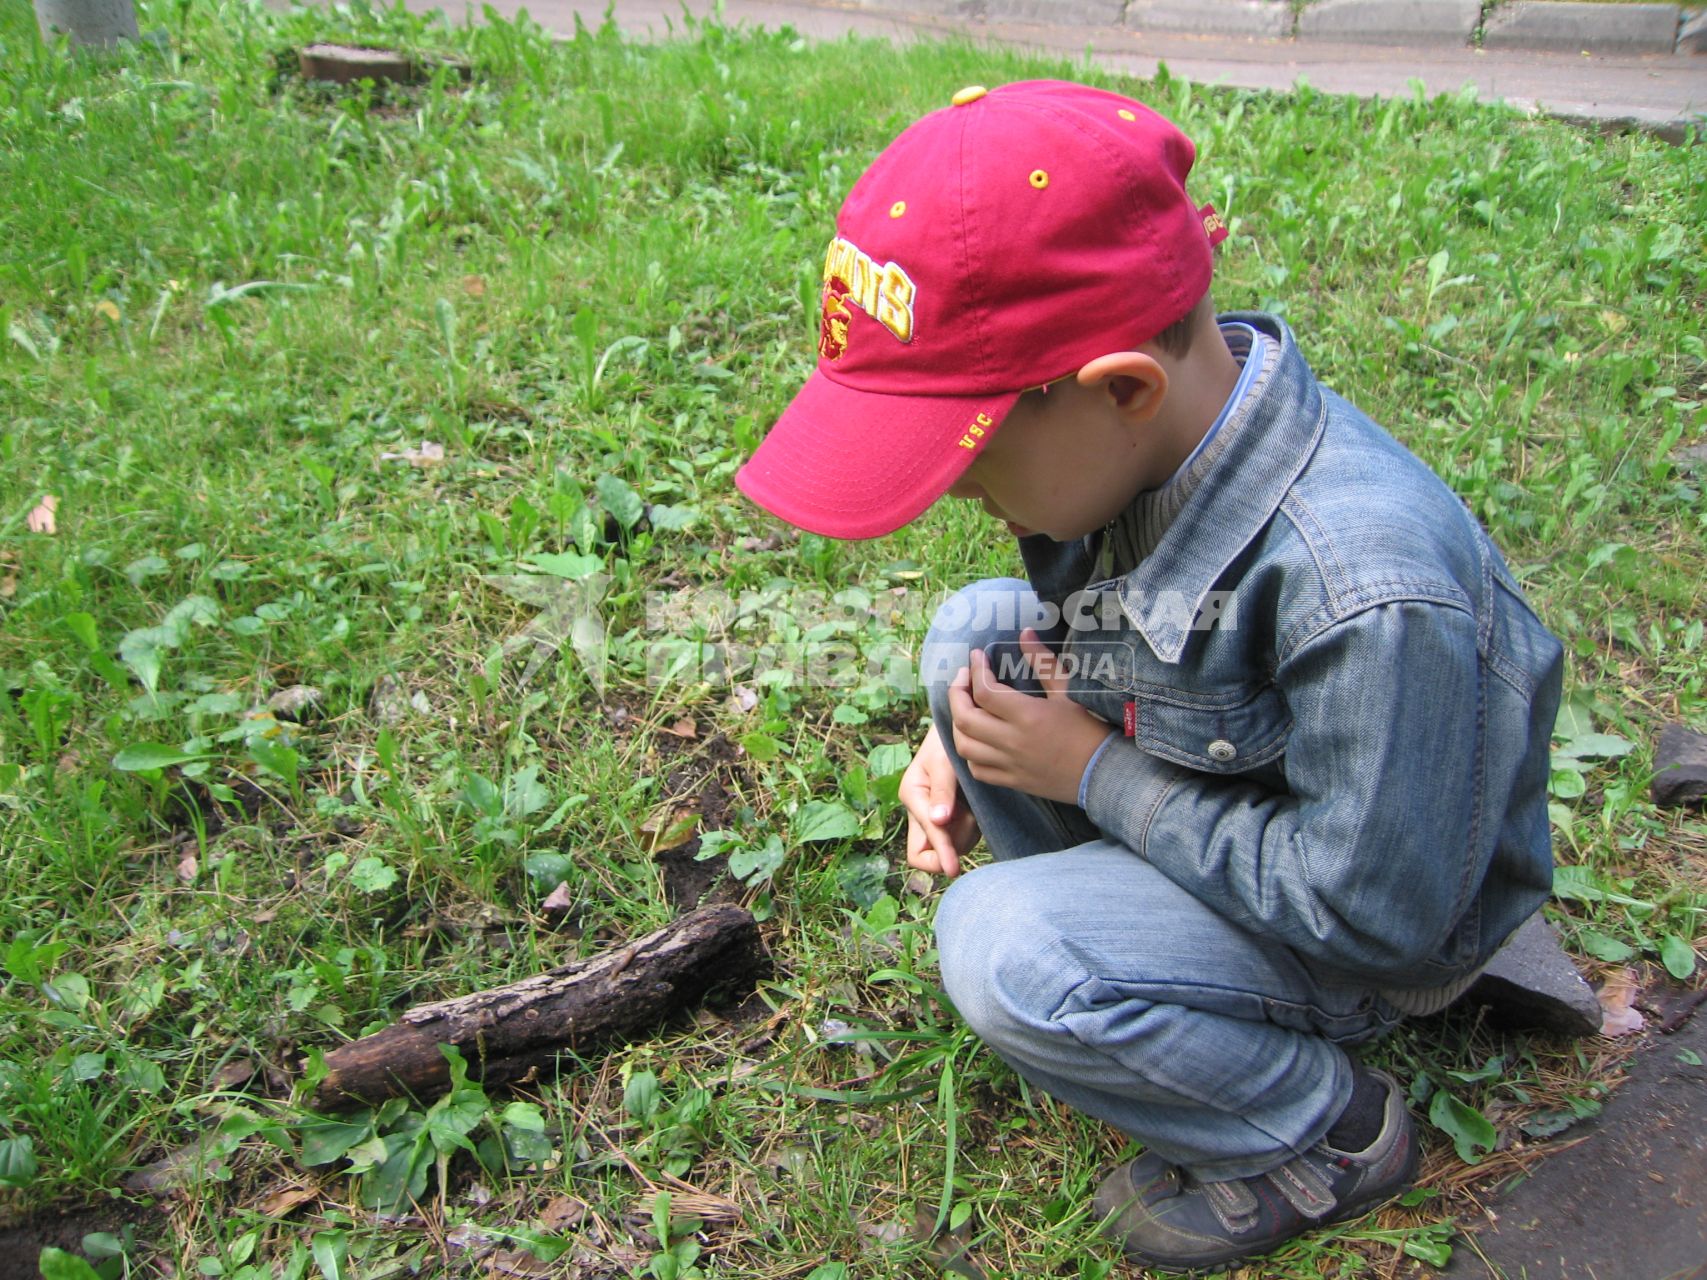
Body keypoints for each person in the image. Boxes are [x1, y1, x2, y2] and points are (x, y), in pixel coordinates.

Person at [734, 79, 1563, 1273]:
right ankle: (1118, 947)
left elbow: (1379, 919)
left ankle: (1318, 1130)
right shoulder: (1157, 445)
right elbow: (1126, 623)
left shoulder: (1368, 587)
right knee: (973, 633)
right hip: (1232, 784)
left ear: (1123, 387)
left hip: (1366, 926)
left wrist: (1095, 772)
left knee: (1000, 943)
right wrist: (971, 734)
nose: (961, 497)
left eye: (972, 469)